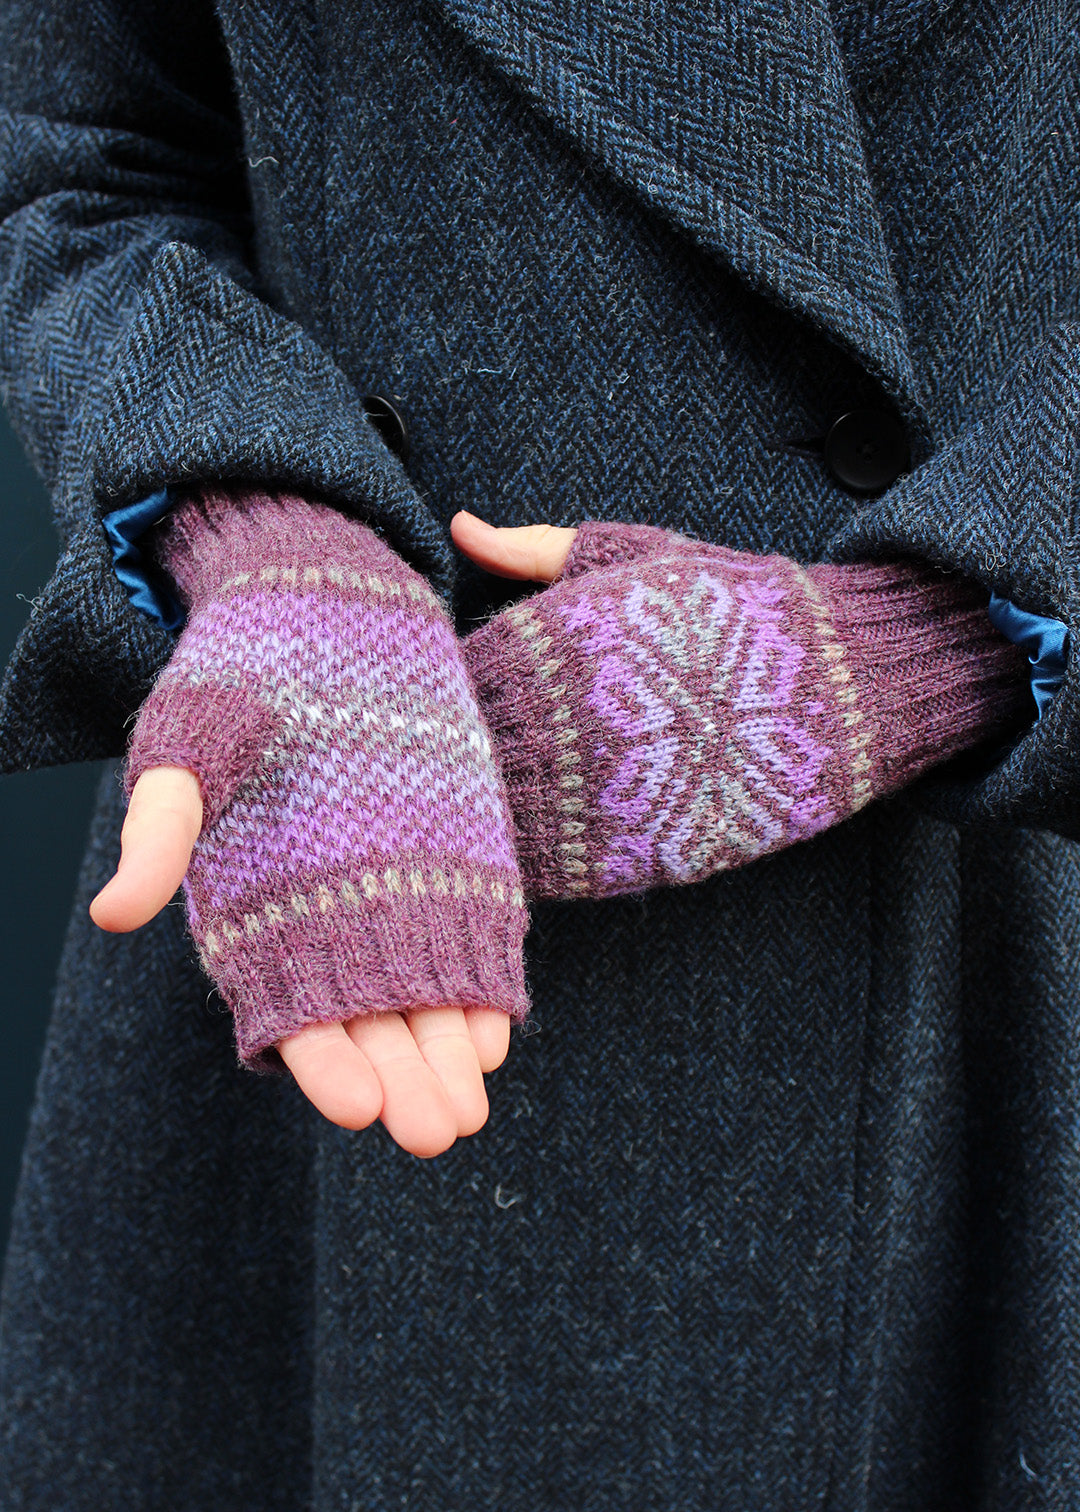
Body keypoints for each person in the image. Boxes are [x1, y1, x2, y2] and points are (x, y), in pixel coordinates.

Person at [0, 0, 1077, 1507]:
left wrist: (937, 640)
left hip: (996, 934)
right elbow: (88, 164)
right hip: (335, 856)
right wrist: (266, 524)